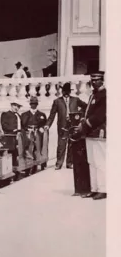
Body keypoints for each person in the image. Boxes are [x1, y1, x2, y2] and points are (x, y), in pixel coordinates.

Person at [74, 71, 106, 200]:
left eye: (97, 80)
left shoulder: (104, 95)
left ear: (102, 80)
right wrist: (83, 120)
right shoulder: (94, 94)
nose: (94, 82)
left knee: (100, 161)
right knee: (91, 161)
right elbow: (89, 112)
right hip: (90, 132)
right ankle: (94, 188)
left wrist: (85, 125)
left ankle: (103, 189)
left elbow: (99, 116)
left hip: (99, 132)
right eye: (92, 80)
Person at [45, 82, 88, 170]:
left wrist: (81, 116)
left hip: (73, 126)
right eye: (65, 91)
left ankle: (70, 163)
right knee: (61, 145)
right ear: (62, 91)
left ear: (69, 91)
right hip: (62, 126)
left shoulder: (76, 100)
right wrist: (47, 125)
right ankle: (59, 163)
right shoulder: (57, 101)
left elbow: (86, 106)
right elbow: (52, 115)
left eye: (68, 91)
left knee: (72, 144)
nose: (66, 93)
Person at [21, 96, 48, 162]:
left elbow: (45, 124)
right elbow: (22, 125)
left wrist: (41, 128)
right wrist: (26, 130)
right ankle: (29, 160)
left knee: (38, 146)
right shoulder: (24, 114)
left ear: (37, 104)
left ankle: (39, 159)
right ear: (30, 104)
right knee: (29, 146)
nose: (33, 105)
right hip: (28, 132)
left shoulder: (42, 114)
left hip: (38, 132)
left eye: (35, 104)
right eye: (32, 103)